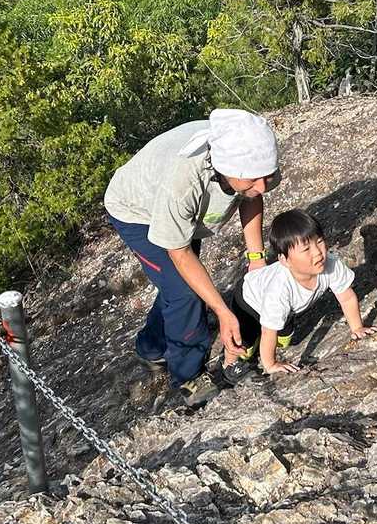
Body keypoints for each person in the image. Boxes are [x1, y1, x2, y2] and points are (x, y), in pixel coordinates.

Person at [104, 109, 280, 408]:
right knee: (185, 292)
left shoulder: (253, 155)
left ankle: (150, 347)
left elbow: (251, 198)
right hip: (138, 212)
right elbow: (180, 252)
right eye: (254, 178)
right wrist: (222, 312)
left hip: (183, 213)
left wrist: (256, 258)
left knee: (175, 286)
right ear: (226, 168)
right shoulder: (183, 181)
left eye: (267, 176)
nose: (263, 185)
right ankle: (187, 376)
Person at [224, 208, 376, 379]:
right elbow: (268, 331)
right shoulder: (279, 290)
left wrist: (357, 328)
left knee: (284, 340)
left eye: (319, 241)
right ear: (284, 260)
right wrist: (271, 364)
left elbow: (347, 298)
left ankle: (260, 345)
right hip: (248, 301)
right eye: (306, 249)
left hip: (281, 308)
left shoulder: (331, 264)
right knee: (244, 344)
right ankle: (228, 365)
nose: (317, 252)